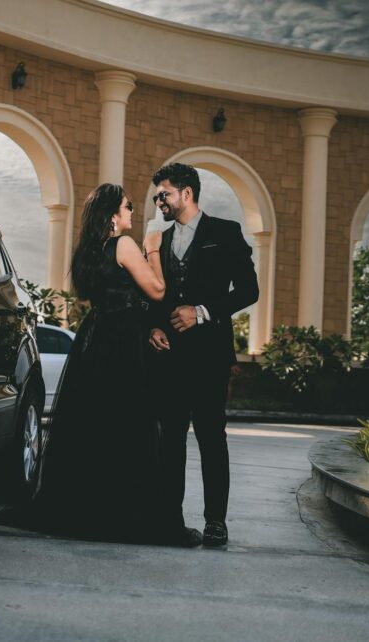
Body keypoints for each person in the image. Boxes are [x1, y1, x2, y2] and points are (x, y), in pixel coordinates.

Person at [31, 183, 175, 543]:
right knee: (128, 419)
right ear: (113, 214)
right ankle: (123, 510)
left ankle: (86, 507)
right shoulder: (125, 245)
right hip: (122, 341)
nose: (131, 212)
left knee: (92, 419)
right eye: (127, 206)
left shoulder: (89, 251)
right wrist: (154, 251)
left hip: (94, 338)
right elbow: (157, 290)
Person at [146, 163, 259, 547]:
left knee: (212, 437)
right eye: (157, 195)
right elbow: (153, 296)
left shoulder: (224, 233)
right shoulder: (157, 240)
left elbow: (248, 290)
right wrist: (155, 326)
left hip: (210, 355)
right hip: (169, 357)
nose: (158, 200)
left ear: (187, 194)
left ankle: (216, 521)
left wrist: (203, 311)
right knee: (170, 439)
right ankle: (168, 517)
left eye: (164, 193)